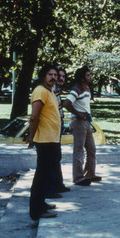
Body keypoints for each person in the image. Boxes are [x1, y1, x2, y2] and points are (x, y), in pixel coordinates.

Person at [27, 64, 61, 220]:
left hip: (52, 139)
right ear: (43, 76)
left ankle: (41, 204)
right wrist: (31, 137)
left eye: (55, 75)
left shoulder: (49, 91)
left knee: (45, 175)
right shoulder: (40, 91)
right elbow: (34, 116)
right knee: (41, 176)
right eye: (50, 74)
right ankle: (36, 211)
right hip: (45, 141)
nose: (53, 77)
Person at [63, 66, 101, 186]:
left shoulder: (87, 89)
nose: (90, 77)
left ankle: (90, 174)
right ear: (82, 78)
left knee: (91, 149)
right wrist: (78, 113)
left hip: (86, 122)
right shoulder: (76, 89)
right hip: (78, 122)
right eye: (88, 75)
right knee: (79, 150)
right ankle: (78, 177)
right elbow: (66, 103)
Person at [50, 65, 70, 194]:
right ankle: (52, 187)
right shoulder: (51, 90)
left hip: (58, 124)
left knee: (57, 156)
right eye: (59, 76)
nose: (61, 78)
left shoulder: (57, 90)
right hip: (51, 126)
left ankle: (58, 184)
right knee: (53, 157)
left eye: (63, 76)